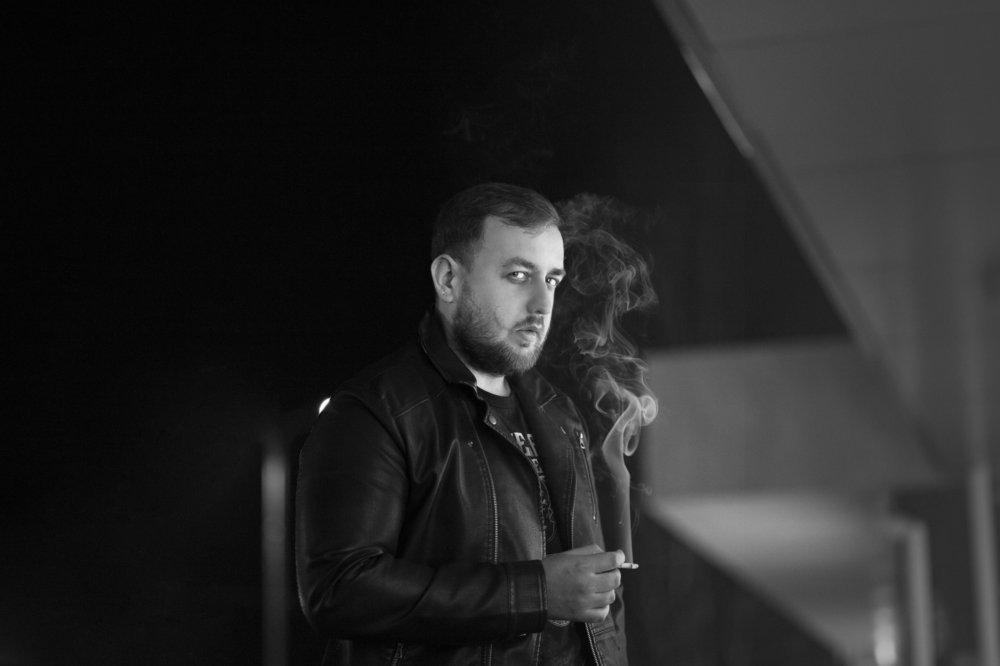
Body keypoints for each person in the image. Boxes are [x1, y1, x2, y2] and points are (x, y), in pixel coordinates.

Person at [295, 182, 628, 665]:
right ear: (448, 279)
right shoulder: (374, 411)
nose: (542, 304)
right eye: (518, 275)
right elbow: (338, 591)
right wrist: (535, 592)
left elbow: (593, 600)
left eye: (552, 280)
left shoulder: (559, 413)